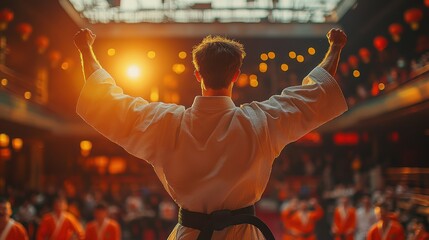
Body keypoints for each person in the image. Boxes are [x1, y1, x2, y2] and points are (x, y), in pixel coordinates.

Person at [74, 27, 348, 239]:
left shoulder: (166, 123)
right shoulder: (260, 121)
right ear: (236, 75)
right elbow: (316, 93)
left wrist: (86, 49)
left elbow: (105, 101)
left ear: (197, 74)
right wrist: (335, 47)